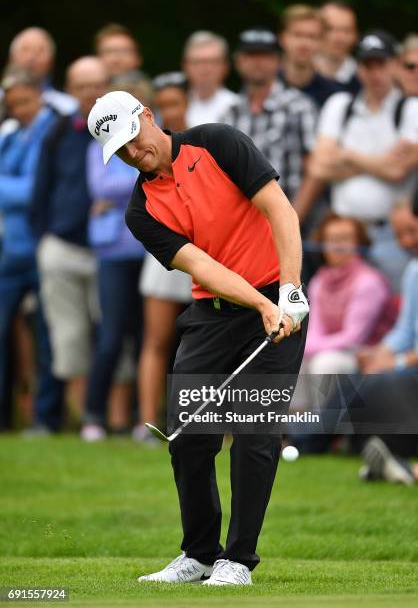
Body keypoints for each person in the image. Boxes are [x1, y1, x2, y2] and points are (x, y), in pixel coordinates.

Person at [88, 90, 309, 585]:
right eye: (120, 151)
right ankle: (199, 553)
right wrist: (258, 304)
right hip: (215, 310)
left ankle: (238, 560)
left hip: (281, 296)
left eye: (132, 138)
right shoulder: (140, 210)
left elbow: (280, 211)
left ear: (148, 116)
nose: (132, 153)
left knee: (254, 434)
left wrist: (288, 291)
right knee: (188, 436)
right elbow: (203, 265)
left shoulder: (218, 142)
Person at [305, 30, 418, 290]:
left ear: (395, 65)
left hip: (391, 234)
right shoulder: (340, 105)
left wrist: (346, 155)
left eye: (382, 64)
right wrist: (379, 163)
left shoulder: (410, 109)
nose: (376, 73)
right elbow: (319, 166)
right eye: (369, 65)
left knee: (395, 309)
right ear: (359, 68)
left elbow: (397, 171)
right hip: (343, 232)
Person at [30, 57, 108, 414]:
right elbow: (41, 188)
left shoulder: (126, 127)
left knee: (112, 335)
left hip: (110, 250)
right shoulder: (59, 130)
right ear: (70, 89)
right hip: (61, 245)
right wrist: (43, 238)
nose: (90, 92)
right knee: (69, 337)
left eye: (97, 84)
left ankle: (114, 417)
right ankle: (85, 422)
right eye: (82, 86)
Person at [81, 79, 146, 442]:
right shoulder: (98, 144)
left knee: (145, 338)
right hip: (112, 253)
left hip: (151, 255)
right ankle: (93, 415)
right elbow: (100, 187)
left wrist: (122, 182)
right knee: (110, 336)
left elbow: (147, 173)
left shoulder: (152, 136)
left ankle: (143, 417)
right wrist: (137, 176)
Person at [0, 69, 63, 432]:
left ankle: (46, 417)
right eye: (13, 105)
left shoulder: (49, 131)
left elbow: (31, 192)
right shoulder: (12, 135)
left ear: (39, 96)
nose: (19, 109)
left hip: (40, 246)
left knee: (45, 336)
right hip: (12, 250)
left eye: (24, 101)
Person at [133, 72, 192, 444]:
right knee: (157, 339)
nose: (172, 109)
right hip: (165, 251)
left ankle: (220, 425)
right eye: (164, 103)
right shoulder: (144, 150)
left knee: (210, 340)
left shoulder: (204, 139)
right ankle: (146, 423)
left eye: (177, 102)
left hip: (209, 250)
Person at [357, 202, 418, 485]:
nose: (408, 242)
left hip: (410, 366)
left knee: (383, 383)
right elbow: (404, 330)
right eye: (400, 235)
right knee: (361, 380)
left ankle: (301, 439)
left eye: (412, 231)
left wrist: (397, 362)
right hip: (408, 365)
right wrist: (379, 354)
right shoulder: (414, 270)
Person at [222, 29, 317, 200]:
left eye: (265, 55)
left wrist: (293, 217)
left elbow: (314, 170)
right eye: (251, 55)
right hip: (244, 219)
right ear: (239, 61)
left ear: (279, 61)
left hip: (293, 212)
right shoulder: (229, 113)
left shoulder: (300, 106)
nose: (258, 62)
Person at [305, 213, 395, 374]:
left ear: (359, 243)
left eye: (345, 238)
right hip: (329, 348)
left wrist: (309, 348)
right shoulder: (319, 281)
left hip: (367, 353)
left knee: (325, 364)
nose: (338, 246)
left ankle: (328, 401)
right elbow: (316, 329)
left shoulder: (368, 281)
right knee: (293, 361)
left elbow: (353, 338)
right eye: (331, 239)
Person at [279, 4, 341, 108]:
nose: (304, 44)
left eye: (312, 37)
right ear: (282, 38)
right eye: (297, 35)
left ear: (322, 42)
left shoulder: (332, 95)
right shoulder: (263, 88)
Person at [6, 27, 77, 115]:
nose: (31, 57)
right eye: (25, 50)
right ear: (11, 58)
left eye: (40, 51)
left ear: (51, 61)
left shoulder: (67, 108)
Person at [182, 31, 238, 126]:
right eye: (197, 62)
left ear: (225, 66)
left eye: (212, 62)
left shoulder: (237, 107)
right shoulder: (173, 107)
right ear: (185, 66)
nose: (205, 69)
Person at [316, 0, 360, 93]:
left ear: (355, 35)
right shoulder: (294, 74)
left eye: (346, 30)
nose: (339, 38)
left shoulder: (364, 79)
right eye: (330, 29)